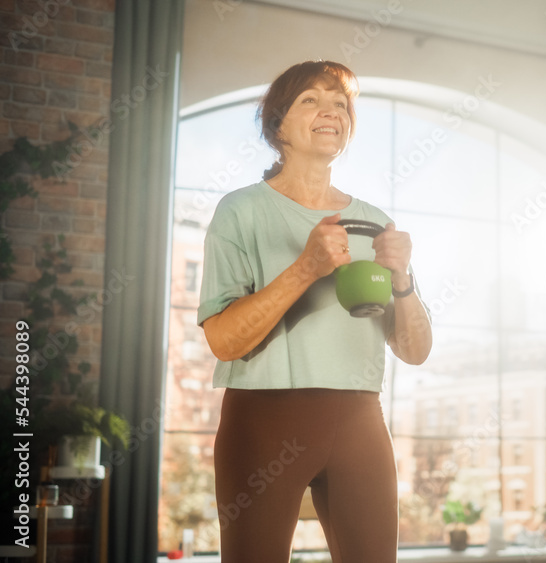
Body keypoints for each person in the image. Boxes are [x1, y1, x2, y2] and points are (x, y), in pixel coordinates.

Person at [198, 61, 432, 562]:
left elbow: (415, 351)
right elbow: (223, 341)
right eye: (311, 99)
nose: (331, 111)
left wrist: (405, 282)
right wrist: (306, 267)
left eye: (341, 104)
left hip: (358, 419)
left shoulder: (374, 222)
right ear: (277, 122)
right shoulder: (240, 211)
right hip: (262, 418)